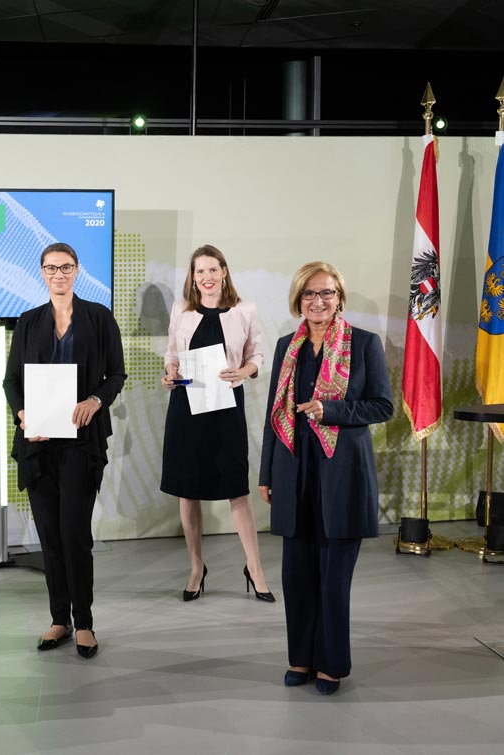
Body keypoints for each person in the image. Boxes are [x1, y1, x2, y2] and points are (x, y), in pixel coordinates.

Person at [258, 261, 392, 695]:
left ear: (340, 298)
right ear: (299, 300)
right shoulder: (285, 346)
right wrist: (265, 472)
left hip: (343, 478)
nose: (319, 302)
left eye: (327, 293)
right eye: (310, 294)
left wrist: (328, 409)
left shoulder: (364, 344)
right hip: (293, 471)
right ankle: (301, 659)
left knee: (333, 579)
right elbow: (273, 415)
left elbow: (382, 407)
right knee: (296, 575)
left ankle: (331, 664)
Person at [2, 242, 126, 659]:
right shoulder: (28, 321)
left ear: (77, 271)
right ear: (41, 272)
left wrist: (95, 401)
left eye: (66, 267)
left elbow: (116, 373)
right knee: (50, 538)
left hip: (81, 442)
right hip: (38, 444)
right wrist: (21, 414)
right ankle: (60, 619)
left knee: (75, 535)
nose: (59, 274)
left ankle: (86, 622)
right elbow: (11, 381)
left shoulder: (98, 318)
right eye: (51, 268)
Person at [160, 245, 274, 602]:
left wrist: (243, 370)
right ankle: (197, 567)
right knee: (187, 488)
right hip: (186, 406)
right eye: (199, 272)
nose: (206, 278)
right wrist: (170, 372)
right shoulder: (182, 309)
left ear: (224, 271)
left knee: (236, 488)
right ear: (192, 277)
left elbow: (257, 353)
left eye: (212, 270)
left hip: (226, 405)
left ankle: (254, 568)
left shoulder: (245, 310)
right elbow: (172, 353)